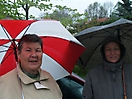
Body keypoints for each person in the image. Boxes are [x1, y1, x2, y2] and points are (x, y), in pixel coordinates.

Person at [0, 34, 62, 99]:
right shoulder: (3, 84)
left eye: (37, 50)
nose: (34, 55)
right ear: (19, 54)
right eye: (28, 50)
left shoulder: (49, 78)